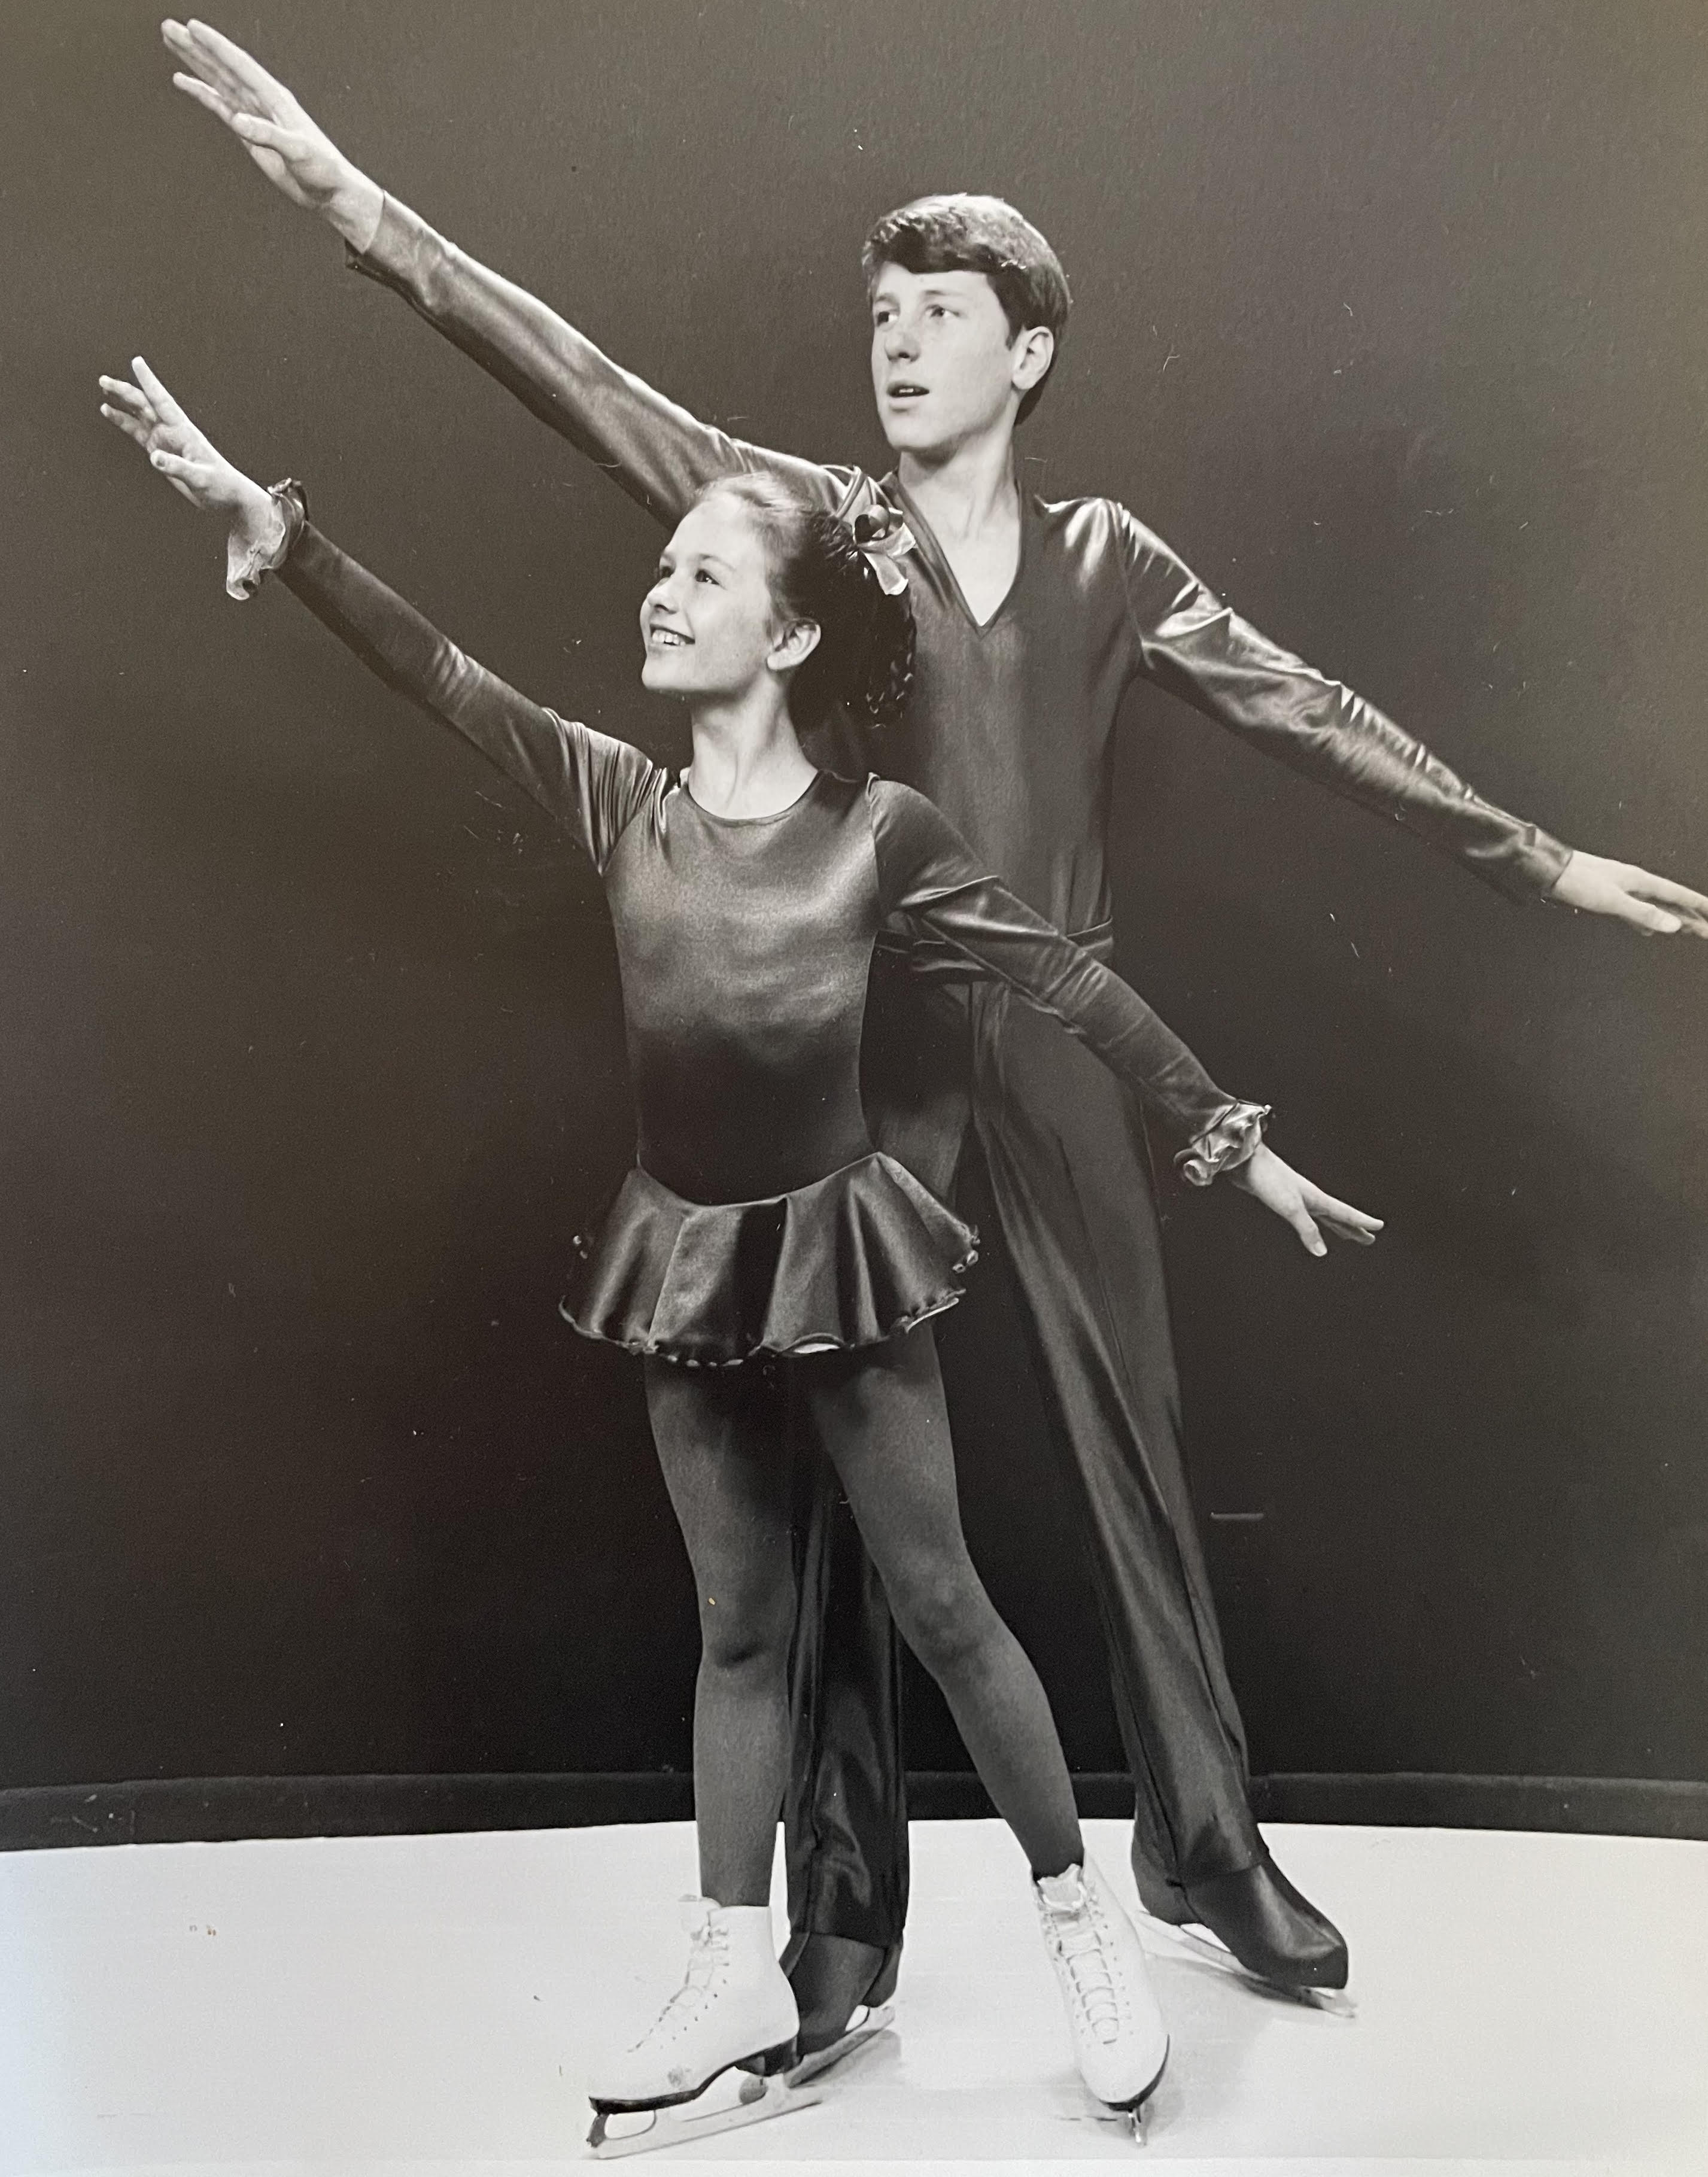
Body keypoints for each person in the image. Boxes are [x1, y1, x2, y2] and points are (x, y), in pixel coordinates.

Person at [157, 19, 1708, 2045]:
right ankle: (842, 1917)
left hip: (1056, 1029)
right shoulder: (813, 519)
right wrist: (352, 209)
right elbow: (574, 378)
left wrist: (1531, 861)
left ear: (1025, 351)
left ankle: (1205, 1844)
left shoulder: (1105, 560)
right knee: (818, 1509)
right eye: (879, 312)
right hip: (867, 1046)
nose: (896, 342)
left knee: (1132, 1444)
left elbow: (1315, 713)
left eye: (941, 313)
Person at [99, 357, 1381, 2141]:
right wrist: (278, 528)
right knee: (738, 1630)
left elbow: (1060, 976)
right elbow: (444, 675)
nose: (662, 588)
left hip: (839, 1251)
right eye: (667, 565)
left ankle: (1080, 1920)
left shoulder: (879, 836)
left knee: (940, 1601)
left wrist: (1225, 1138)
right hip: (687, 1256)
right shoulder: (624, 800)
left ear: (786, 641)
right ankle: (727, 1959)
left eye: (705, 573)